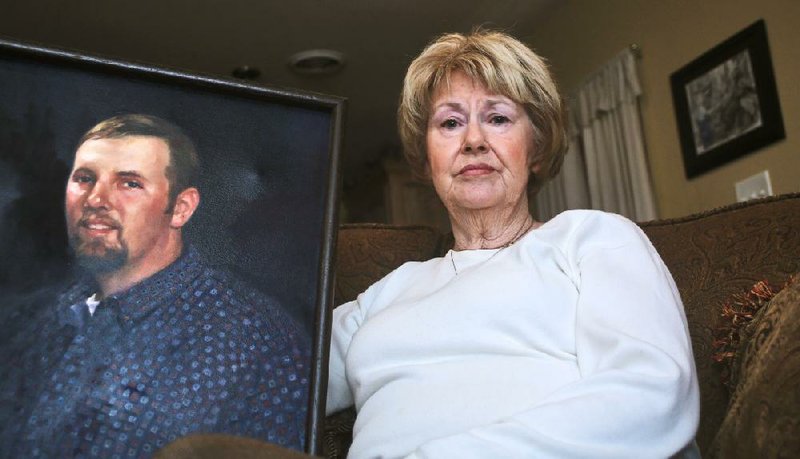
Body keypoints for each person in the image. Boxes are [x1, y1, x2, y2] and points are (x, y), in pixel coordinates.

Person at [326, 30, 700, 458]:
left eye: (498, 118)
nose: (473, 140)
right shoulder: (385, 294)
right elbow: (273, 377)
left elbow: (650, 392)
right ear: (427, 159)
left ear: (535, 146)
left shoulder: (591, 240)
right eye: (450, 123)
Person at [0, 114, 310, 457]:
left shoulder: (257, 340)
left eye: (129, 183)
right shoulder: (31, 320)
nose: (95, 200)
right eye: (85, 178)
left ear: (180, 208)